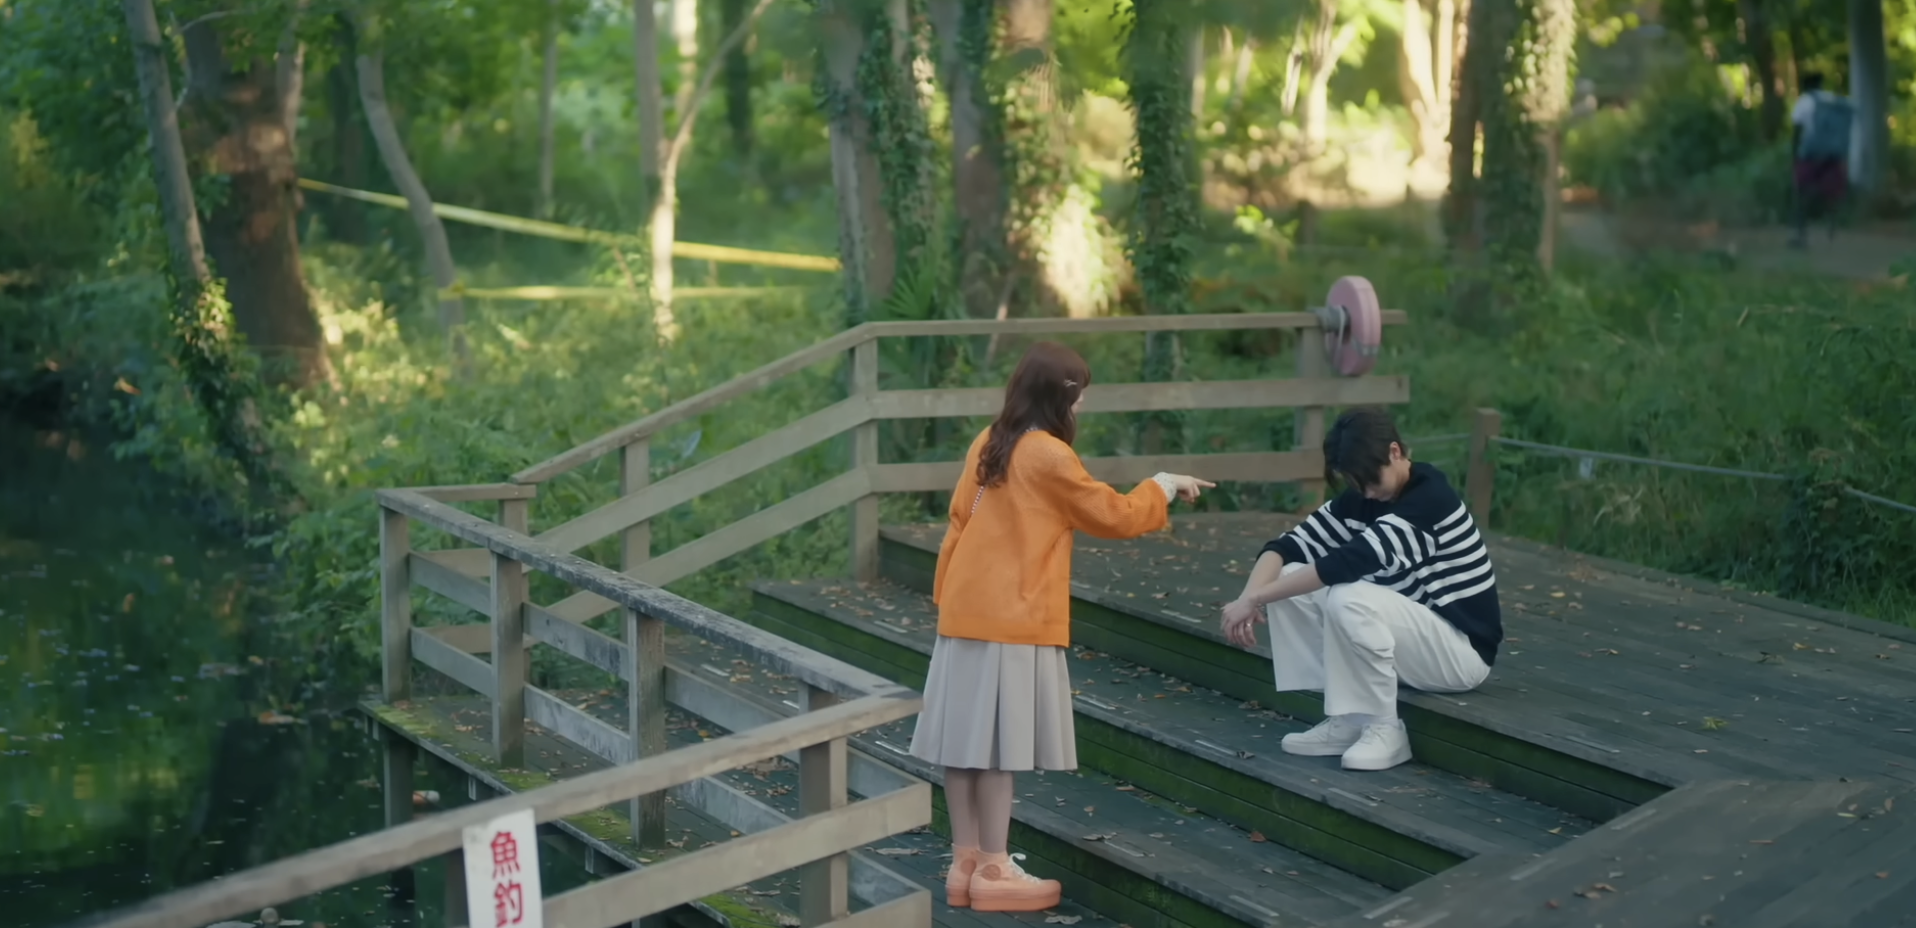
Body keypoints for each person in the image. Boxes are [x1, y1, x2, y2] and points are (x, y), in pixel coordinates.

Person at [909, 341, 1213, 912]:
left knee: (964, 746)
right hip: (1012, 617)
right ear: (1060, 397)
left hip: (965, 611)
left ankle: (964, 862)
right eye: (1081, 395)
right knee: (995, 750)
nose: (1083, 405)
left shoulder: (988, 440)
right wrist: (1164, 484)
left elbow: (957, 521)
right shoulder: (1048, 455)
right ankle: (995, 868)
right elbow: (1113, 515)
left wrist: (947, 595)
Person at [1219, 406, 1501, 772]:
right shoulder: (1366, 497)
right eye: (1356, 483)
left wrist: (1256, 599)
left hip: (1461, 654)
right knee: (1290, 576)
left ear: (1395, 452)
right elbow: (1287, 547)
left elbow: (1348, 562)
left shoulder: (1430, 501)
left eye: (1371, 479)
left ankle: (1385, 728)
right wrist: (1248, 596)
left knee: (1348, 595)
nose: (1367, 492)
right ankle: (1349, 718)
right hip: (1412, 642)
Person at [1788, 71, 1852, 249]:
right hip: (1834, 154)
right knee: (1832, 193)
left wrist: (1794, 156)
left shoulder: (1804, 101)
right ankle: (1832, 230)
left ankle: (1801, 235)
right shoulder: (1831, 100)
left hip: (1810, 154)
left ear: (1805, 85)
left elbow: (1797, 130)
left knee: (1801, 193)